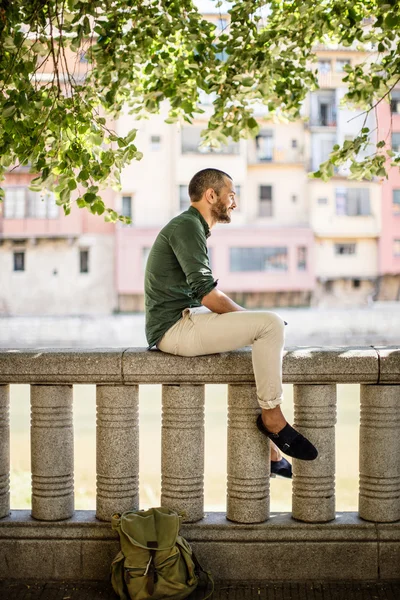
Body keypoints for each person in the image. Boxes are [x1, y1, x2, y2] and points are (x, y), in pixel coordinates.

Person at [144, 168, 318, 477]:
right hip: (174, 328)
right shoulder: (187, 226)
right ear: (211, 195)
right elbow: (207, 294)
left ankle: (270, 450)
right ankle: (273, 419)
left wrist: (251, 325)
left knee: (258, 346)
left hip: (182, 321)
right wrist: (254, 322)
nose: (234, 202)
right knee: (270, 325)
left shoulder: (192, 227)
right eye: (231, 195)